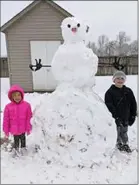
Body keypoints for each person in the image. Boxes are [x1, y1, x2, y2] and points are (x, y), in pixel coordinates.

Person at [104, 71, 137, 153]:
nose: (120, 80)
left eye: (122, 78)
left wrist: (133, 115)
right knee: (117, 131)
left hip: (126, 116)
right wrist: (115, 116)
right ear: (114, 80)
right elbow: (109, 105)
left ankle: (125, 143)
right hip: (115, 117)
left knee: (124, 131)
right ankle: (118, 144)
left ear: (124, 80)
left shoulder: (128, 91)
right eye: (118, 78)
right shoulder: (109, 92)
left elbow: (133, 104)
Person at [3, 85, 32, 156]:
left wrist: (28, 129)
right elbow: (6, 119)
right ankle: (16, 149)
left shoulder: (27, 105)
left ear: (22, 95)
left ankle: (23, 148)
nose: (17, 97)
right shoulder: (8, 107)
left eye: (19, 95)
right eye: (14, 95)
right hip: (14, 129)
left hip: (23, 128)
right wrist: (6, 130)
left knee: (23, 139)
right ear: (11, 97)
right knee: (16, 140)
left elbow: (29, 118)